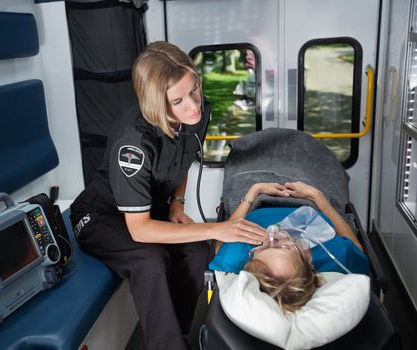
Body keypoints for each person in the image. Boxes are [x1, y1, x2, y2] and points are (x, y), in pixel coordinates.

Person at [69, 41, 266, 350]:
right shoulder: (132, 144)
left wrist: (177, 202)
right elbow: (139, 229)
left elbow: (183, 158)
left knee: (197, 250)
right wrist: (218, 227)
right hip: (101, 215)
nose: (193, 105)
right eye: (178, 101)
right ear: (156, 104)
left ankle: (180, 334)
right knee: (150, 259)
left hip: (149, 206)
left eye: (194, 89)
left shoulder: (197, 114)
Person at [212, 181, 368, 313]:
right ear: (306, 258)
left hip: (257, 201)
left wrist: (254, 192)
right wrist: (317, 196)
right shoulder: (334, 255)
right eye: (283, 247)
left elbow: (220, 242)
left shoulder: (238, 254)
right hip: (311, 197)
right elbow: (356, 246)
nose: (272, 233)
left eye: (263, 246)